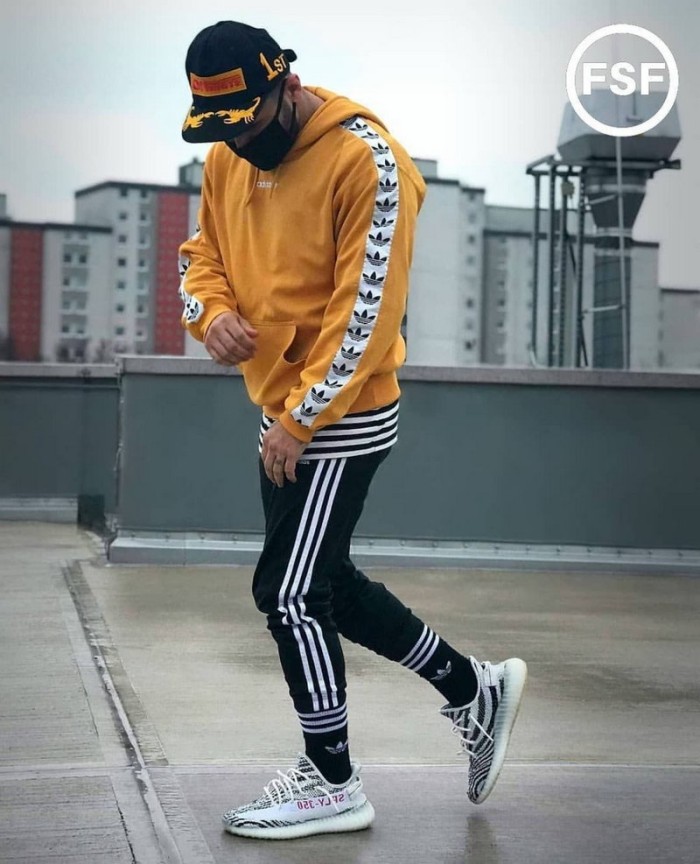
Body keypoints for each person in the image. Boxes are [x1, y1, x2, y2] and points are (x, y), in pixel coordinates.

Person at [178, 20, 527, 842]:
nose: (240, 145)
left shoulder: (368, 161)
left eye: (250, 124)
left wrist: (303, 419)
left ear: (288, 86)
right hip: (283, 410)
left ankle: (332, 779)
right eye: (224, 131)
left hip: (344, 414)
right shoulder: (228, 154)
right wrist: (210, 313)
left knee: (289, 593)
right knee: (325, 583)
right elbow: (201, 254)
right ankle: (474, 690)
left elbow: (365, 315)